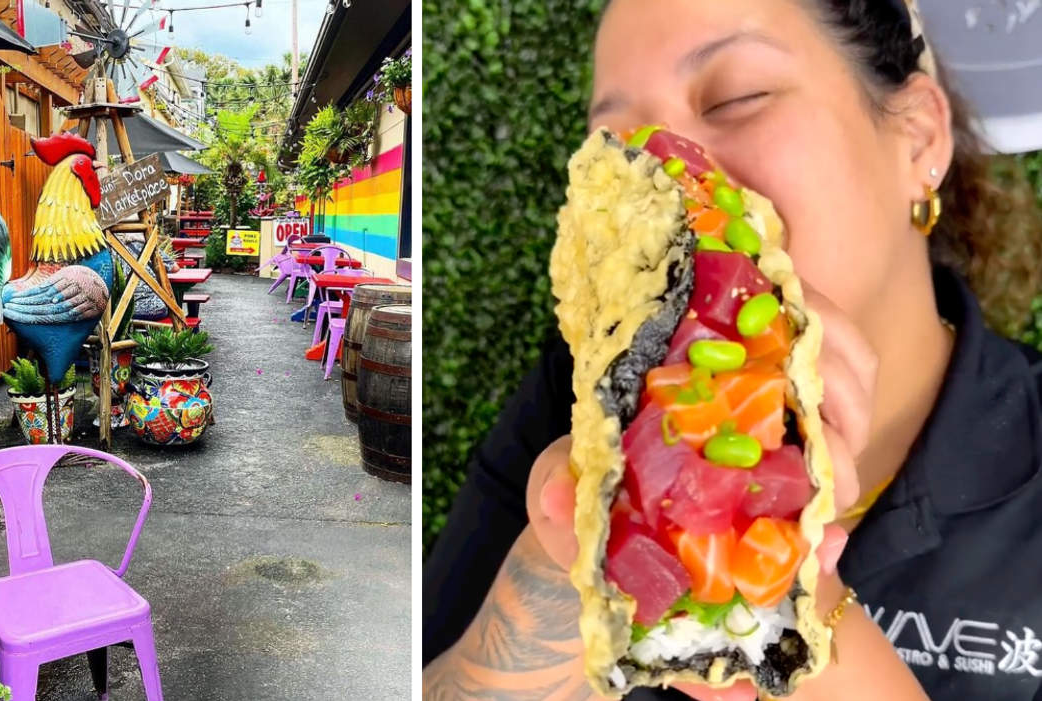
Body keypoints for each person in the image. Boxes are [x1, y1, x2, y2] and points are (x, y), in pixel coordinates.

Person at [422, 0, 1042, 699]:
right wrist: (584, 537)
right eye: (617, 144)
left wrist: (774, 586)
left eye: (736, 98)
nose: (662, 175)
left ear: (918, 137)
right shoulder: (579, 399)